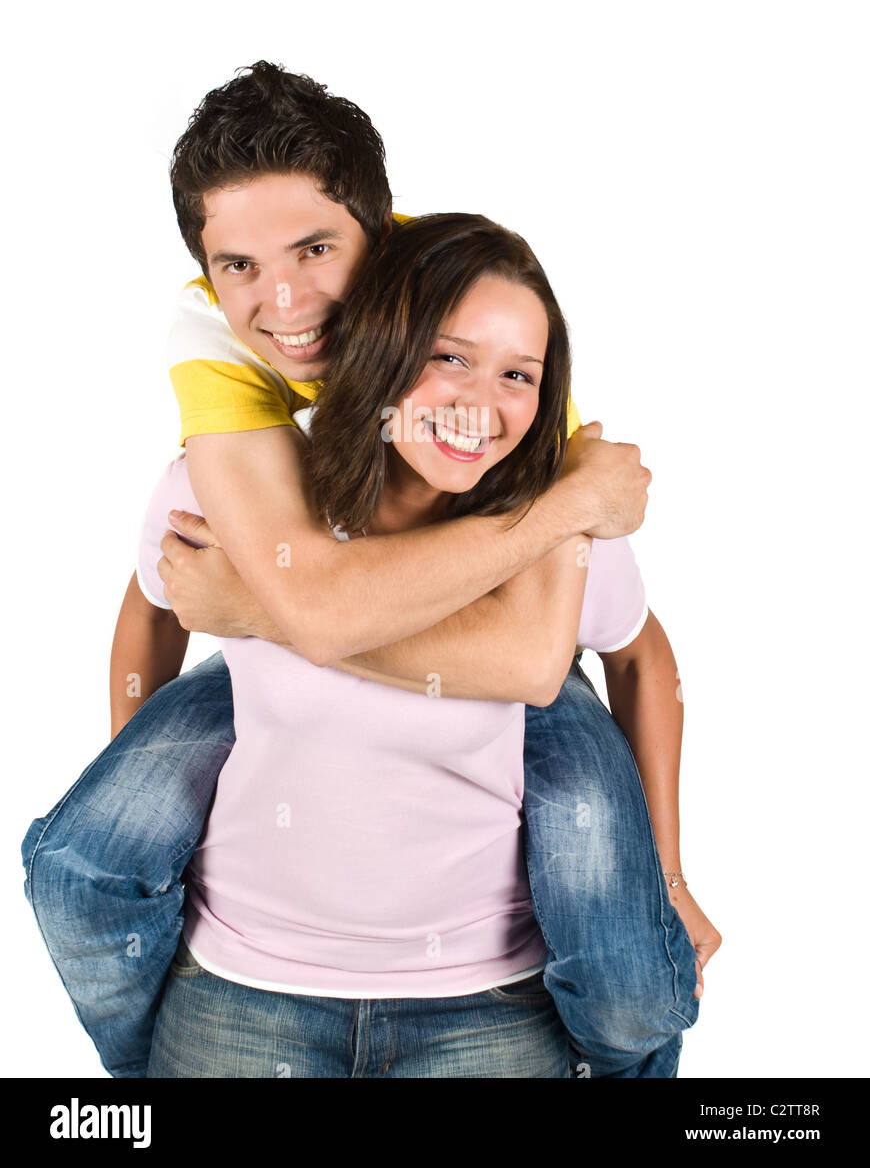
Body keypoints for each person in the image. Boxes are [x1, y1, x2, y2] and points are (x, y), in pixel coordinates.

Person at [22, 63, 719, 1078]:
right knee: (82, 866)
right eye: (242, 266)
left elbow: (537, 659)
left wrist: (670, 871)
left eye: (314, 248)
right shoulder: (216, 353)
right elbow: (173, 594)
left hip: (518, 666)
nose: (286, 301)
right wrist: (178, 789)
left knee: (621, 951)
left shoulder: (485, 340)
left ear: (383, 242)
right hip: (289, 651)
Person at [142, 212, 686, 1077]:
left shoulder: (559, 532)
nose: (481, 403)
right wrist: (144, 818)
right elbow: (151, 606)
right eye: (450, 357)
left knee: (642, 997)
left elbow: (640, 657)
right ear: (385, 344)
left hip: (485, 1006)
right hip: (243, 995)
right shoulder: (245, 493)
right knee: (72, 877)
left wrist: (669, 880)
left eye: (519, 374)